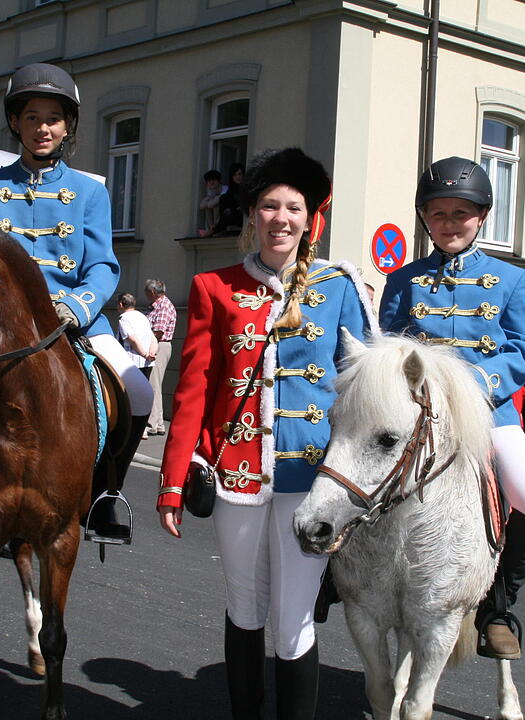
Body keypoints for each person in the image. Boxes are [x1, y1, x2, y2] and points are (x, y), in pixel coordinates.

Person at [158, 148, 375, 719]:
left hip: (313, 481)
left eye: (293, 208)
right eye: (270, 206)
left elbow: (365, 391)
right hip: (237, 477)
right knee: (244, 606)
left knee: (294, 616)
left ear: (310, 219)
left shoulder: (341, 286)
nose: (281, 218)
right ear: (253, 215)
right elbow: (193, 392)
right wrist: (173, 482)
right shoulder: (214, 286)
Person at [0, 62, 150, 534]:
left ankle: (104, 494)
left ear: (67, 127)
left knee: (140, 393)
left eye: (53, 119)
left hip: (73, 318)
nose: (42, 128)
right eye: (32, 117)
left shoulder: (90, 192)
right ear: (15, 123)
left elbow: (103, 266)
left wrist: (77, 306)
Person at [378, 157, 525, 661]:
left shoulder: (511, 279)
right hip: (418, 416)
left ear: (482, 216)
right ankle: (340, 578)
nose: (449, 223)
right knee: (356, 477)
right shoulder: (404, 279)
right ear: (425, 219)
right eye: (438, 213)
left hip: (488, 414)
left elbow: (524, 347)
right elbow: (387, 344)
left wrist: (473, 387)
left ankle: (497, 608)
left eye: (461, 213)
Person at [144, 278, 176, 436]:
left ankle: (152, 424)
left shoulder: (163, 306)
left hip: (158, 345)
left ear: (152, 292)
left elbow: (158, 332)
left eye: (146, 291)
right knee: (155, 384)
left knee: (153, 385)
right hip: (157, 345)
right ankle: (159, 423)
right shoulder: (156, 306)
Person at [116, 292, 157, 378]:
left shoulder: (124, 318)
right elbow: (153, 339)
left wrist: (145, 355)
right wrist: (151, 353)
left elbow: (132, 339)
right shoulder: (143, 317)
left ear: (120, 304)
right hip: (147, 363)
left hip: (131, 363)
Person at [203, 162, 245, 237]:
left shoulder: (246, 188)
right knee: (223, 200)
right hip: (233, 214)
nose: (237, 177)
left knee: (226, 209)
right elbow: (203, 205)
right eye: (235, 175)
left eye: (239, 174)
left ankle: (215, 229)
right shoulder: (231, 190)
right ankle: (214, 227)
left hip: (243, 216)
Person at [197, 169, 226, 235]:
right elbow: (201, 206)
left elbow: (211, 204)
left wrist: (209, 202)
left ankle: (215, 229)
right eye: (209, 181)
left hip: (224, 217)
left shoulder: (225, 190)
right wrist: (209, 202)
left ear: (219, 180)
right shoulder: (211, 192)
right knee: (208, 207)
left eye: (213, 180)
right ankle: (211, 228)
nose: (211, 182)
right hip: (216, 220)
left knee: (215, 205)